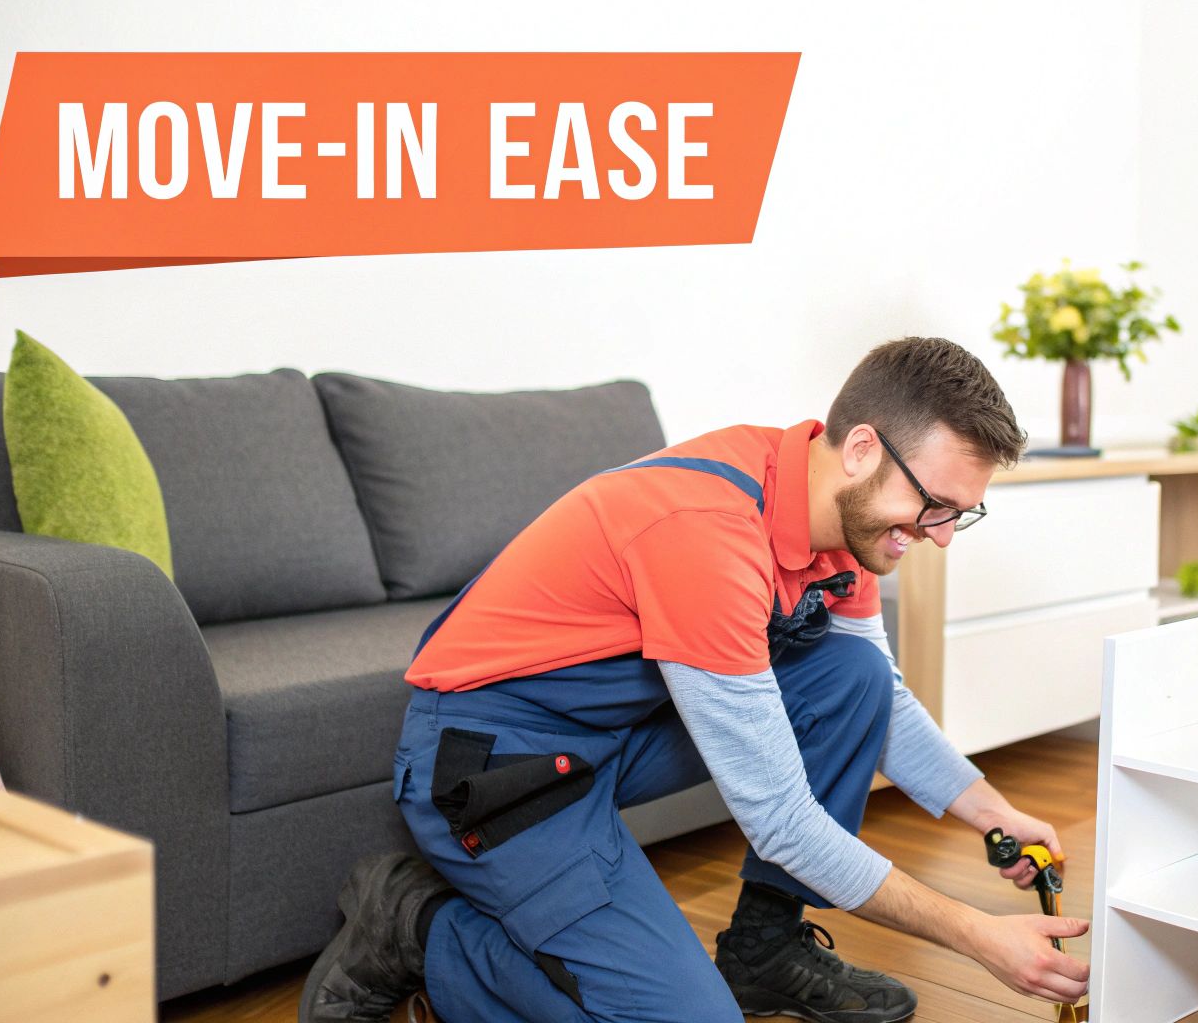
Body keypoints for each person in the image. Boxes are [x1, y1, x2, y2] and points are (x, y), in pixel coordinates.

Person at [299, 337, 1090, 1023]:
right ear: (860, 450)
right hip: (499, 761)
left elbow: (874, 694)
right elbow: (780, 819)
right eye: (935, 506)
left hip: (614, 736)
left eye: (962, 514)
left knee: (849, 671)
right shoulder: (707, 535)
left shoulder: (844, 522)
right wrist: (975, 932)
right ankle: (415, 926)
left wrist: (991, 808)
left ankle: (763, 949)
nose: (941, 537)